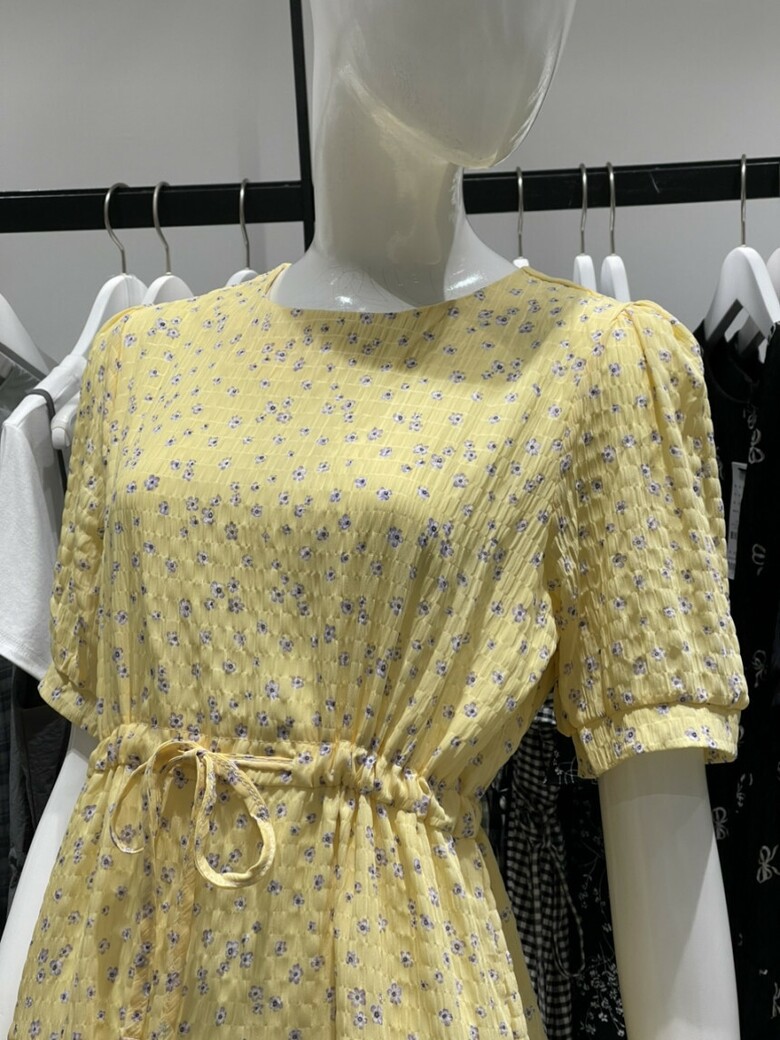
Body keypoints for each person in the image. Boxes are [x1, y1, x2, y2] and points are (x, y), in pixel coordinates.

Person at [1, 3, 745, 1038]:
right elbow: (93, 764)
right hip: (103, 993)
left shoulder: (595, 364)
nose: (529, 23)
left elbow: (662, 837)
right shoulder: (141, 362)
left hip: (388, 994)